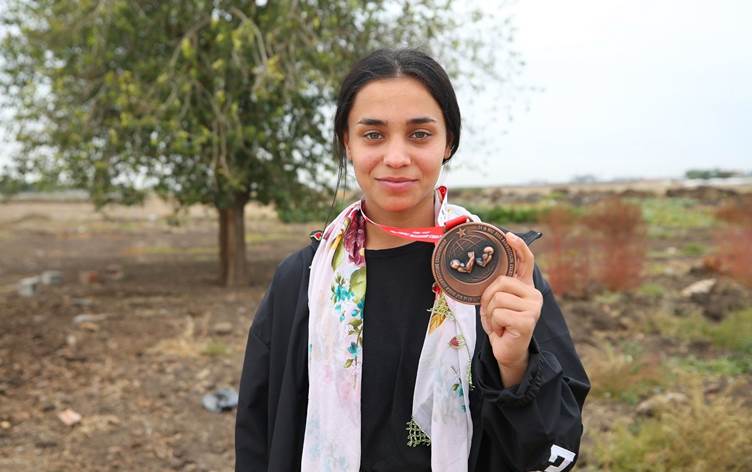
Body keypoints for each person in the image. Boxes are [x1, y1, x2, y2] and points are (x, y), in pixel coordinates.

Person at [235, 48, 590, 472]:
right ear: (347, 142)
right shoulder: (302, 281)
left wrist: (515, 366)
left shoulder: (498, 273)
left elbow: (556, 455)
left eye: (420, 134)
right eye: (373, 135)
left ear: (448, 142)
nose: (397, 157)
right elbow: (258, 436)